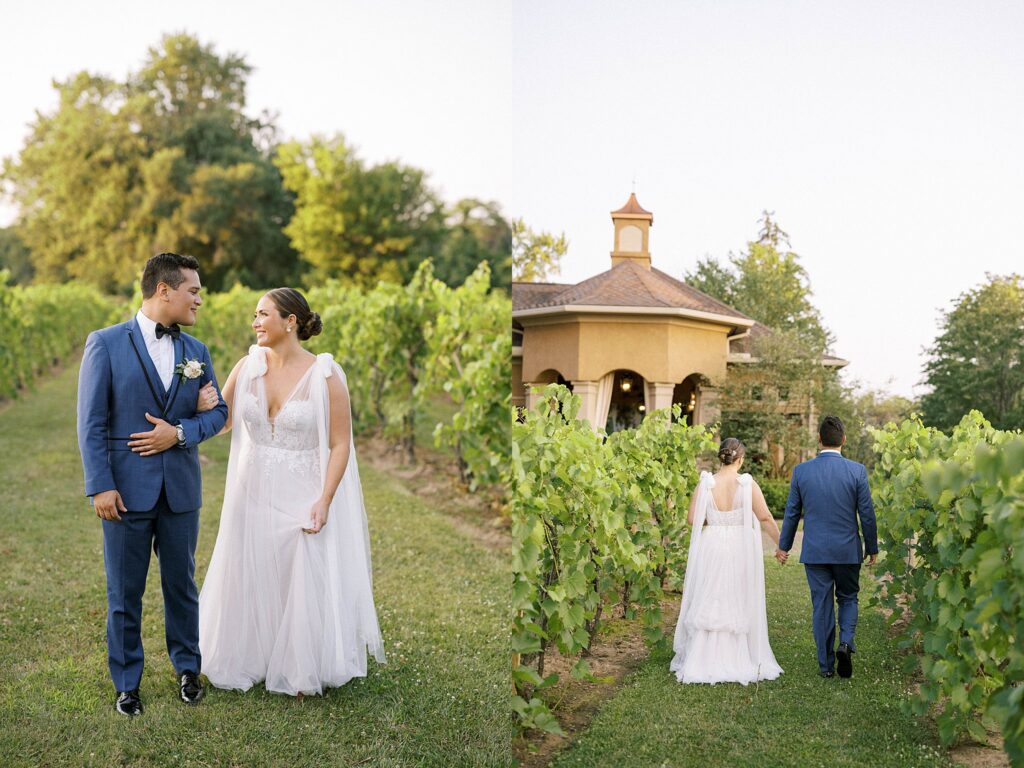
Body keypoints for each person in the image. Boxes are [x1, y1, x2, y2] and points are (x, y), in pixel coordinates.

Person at [198, 288, 385, 695]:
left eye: (263, 314)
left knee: (299, 569)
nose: (255, 322)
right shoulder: (246, 367)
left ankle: (301, 666)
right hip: (252, 486)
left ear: (290, 322)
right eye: (255, 315)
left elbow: (340, 444)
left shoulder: (325, 374)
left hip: (302, 487)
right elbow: (223, 421)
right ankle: (253, 655)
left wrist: (325, 499)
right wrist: (201, 403)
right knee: (250, 566)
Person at [77, 252, 228, 716]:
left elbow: (219, 413)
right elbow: (91, 422)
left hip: (181, 489)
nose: (199, 299)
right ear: (164, 290)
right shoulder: (105, 343)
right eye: (193, 290)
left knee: (182, 584)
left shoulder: (196, 353)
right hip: (124, 491)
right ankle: (127, 684)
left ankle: (187, 669)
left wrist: (181, 431)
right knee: (124, 590)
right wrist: (100, 486)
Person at [670, 438, 784, 685]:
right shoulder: (746, 484)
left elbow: (692, 519)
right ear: (740, 459)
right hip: (738, 546)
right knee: (736, 595)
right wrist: (781, 545)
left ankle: (702, 658)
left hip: (712, 545)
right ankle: (736, 655)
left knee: (710, 595)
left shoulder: (706, 483)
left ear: (720, 458)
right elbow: (764, 517)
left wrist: (716, 522)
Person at [776, 415, 878, 679]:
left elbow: (791, 513)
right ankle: (845, 643)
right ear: (843, 440)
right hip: (847, 551)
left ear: (819, 439)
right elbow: (866, 513)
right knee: (847, 598)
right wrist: (872, 546)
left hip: (816, 551)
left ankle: (826, 666)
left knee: (821, 605)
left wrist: (783, 546)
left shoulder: (802, 471)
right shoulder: (857, 471)